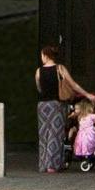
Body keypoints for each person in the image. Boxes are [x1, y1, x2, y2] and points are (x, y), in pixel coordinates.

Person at [34, 43, 79, 173]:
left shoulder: (38, 71)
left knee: (43, 134)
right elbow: (73, 85)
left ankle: (43, 164)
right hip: (57, 105)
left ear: (45, 55)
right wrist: (87, 94)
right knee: (56, 134)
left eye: (42, 55)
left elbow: (39, 88)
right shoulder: (60, 69)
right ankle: (52, 165)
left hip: (42, 105)